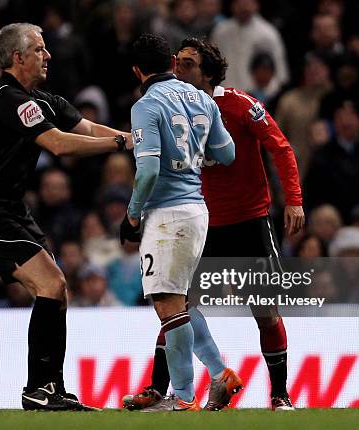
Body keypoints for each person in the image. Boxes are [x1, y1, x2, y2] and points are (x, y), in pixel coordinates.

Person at [0, 23, 132, 411]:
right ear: (17, 58)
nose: (47, 55)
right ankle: (39, 389)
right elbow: (59, 144)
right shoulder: (5, 98)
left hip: (13, 209)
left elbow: (86, 127)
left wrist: (134, 137)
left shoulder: (43, 101)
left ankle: (50, 387)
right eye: (39, 49)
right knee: (51, 283)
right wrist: (122, 143)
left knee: (56, 290)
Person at [123, 38, 304, 411]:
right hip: (203, 222)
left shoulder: (239, 105)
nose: (179, 69)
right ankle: (161, 388)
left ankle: (279, 394)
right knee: (174, 302)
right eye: (178, 62)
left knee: (264, 311)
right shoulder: (178, 103)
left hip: (248, 221)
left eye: (188, 64)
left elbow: (281, 147)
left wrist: (295, 200)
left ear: (208, 71)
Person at [120, 34, 237, 412]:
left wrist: (133, 213)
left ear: (138, 70)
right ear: (172, 61)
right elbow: (227, 152)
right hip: (197, 209)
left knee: (168, 306)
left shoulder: (146, 105)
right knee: (180, 303)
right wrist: (193, 158)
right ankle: (220, 375)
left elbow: (149, 167)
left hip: (168, 216)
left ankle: (184, 398)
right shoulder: (202, 98)